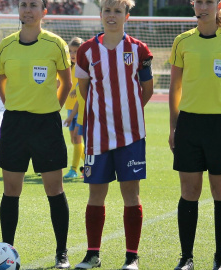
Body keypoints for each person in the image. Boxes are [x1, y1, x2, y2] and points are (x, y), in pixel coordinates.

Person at [168, 1, 221, 269]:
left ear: (218, 5)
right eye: (198, 2)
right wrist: (173, 126)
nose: (202, 7)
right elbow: (175, 88)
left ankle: (220, 258)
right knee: (189, 192)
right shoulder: (182, 41)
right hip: (190, 125)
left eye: (207, 2)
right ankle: (186, 258)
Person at [0, 0, 72, 268]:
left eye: (34, 5)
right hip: (14, 124)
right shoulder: (6, 45)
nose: (28, 9)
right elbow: (0, 79)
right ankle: (6, 253)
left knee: (54, 189)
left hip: (46, 125)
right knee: (11, 189)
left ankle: (61, 252)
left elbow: (66, 81)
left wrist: (51, 110)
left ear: (43, 12)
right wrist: (12, 105)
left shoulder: (56, 44)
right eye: (24, 4)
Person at [74, 0, 153, 269]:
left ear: (126, 16)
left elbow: (147, 89)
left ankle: (132, 257)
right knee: (96, 195)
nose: (112, 15)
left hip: (131, 135)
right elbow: (84, 90)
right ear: (100, 14)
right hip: (97, 136)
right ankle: (93, 254)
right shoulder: (86, 50)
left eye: (117, 11)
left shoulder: (138, 49)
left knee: (131, 194)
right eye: (107, 10)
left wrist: (127, 111)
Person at [63, 37, 85, 179]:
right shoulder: (69, 67)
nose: (72, 54)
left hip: (80, 110)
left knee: (77, 139)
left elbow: (80, 94)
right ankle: (90, 166)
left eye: (76, 51)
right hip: (70, 109)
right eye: (70, 51)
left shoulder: (82, 68)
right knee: (74, 141)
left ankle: (74, 170)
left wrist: (72, 116)